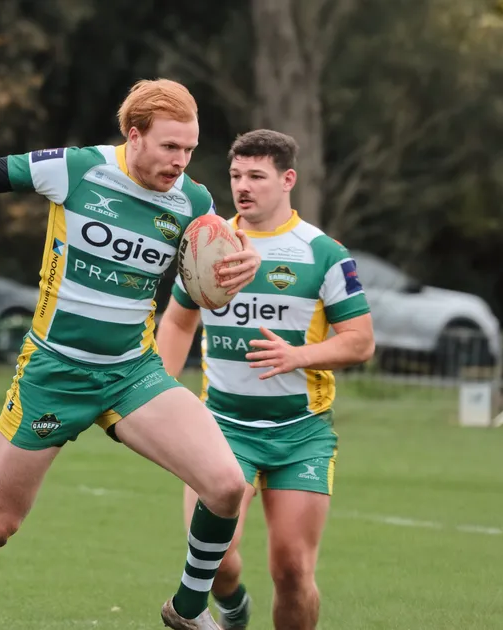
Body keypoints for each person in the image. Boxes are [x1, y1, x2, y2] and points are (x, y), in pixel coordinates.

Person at [0, 79, 262, 630]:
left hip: (131, 374)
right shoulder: (78, 170)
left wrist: (243, 263)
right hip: (53, 374)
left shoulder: (195, 202)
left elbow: (221, 255)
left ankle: (186, 611)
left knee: (228, 485)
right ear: (133, 137)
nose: (181, 162)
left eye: (190, 149)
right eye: (169, 147)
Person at [155, 129, 375, 630]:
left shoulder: (323, 253)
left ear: (287, 179)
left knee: (293, 570)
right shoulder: (208, 242)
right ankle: (233, 608)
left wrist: (299, 355)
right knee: (215, 564)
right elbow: (177, 321)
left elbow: (360, 341)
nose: (243, 186)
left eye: (256, 176)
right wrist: (160, 393)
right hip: (221, 430)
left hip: (301, 435)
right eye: (236, 175)